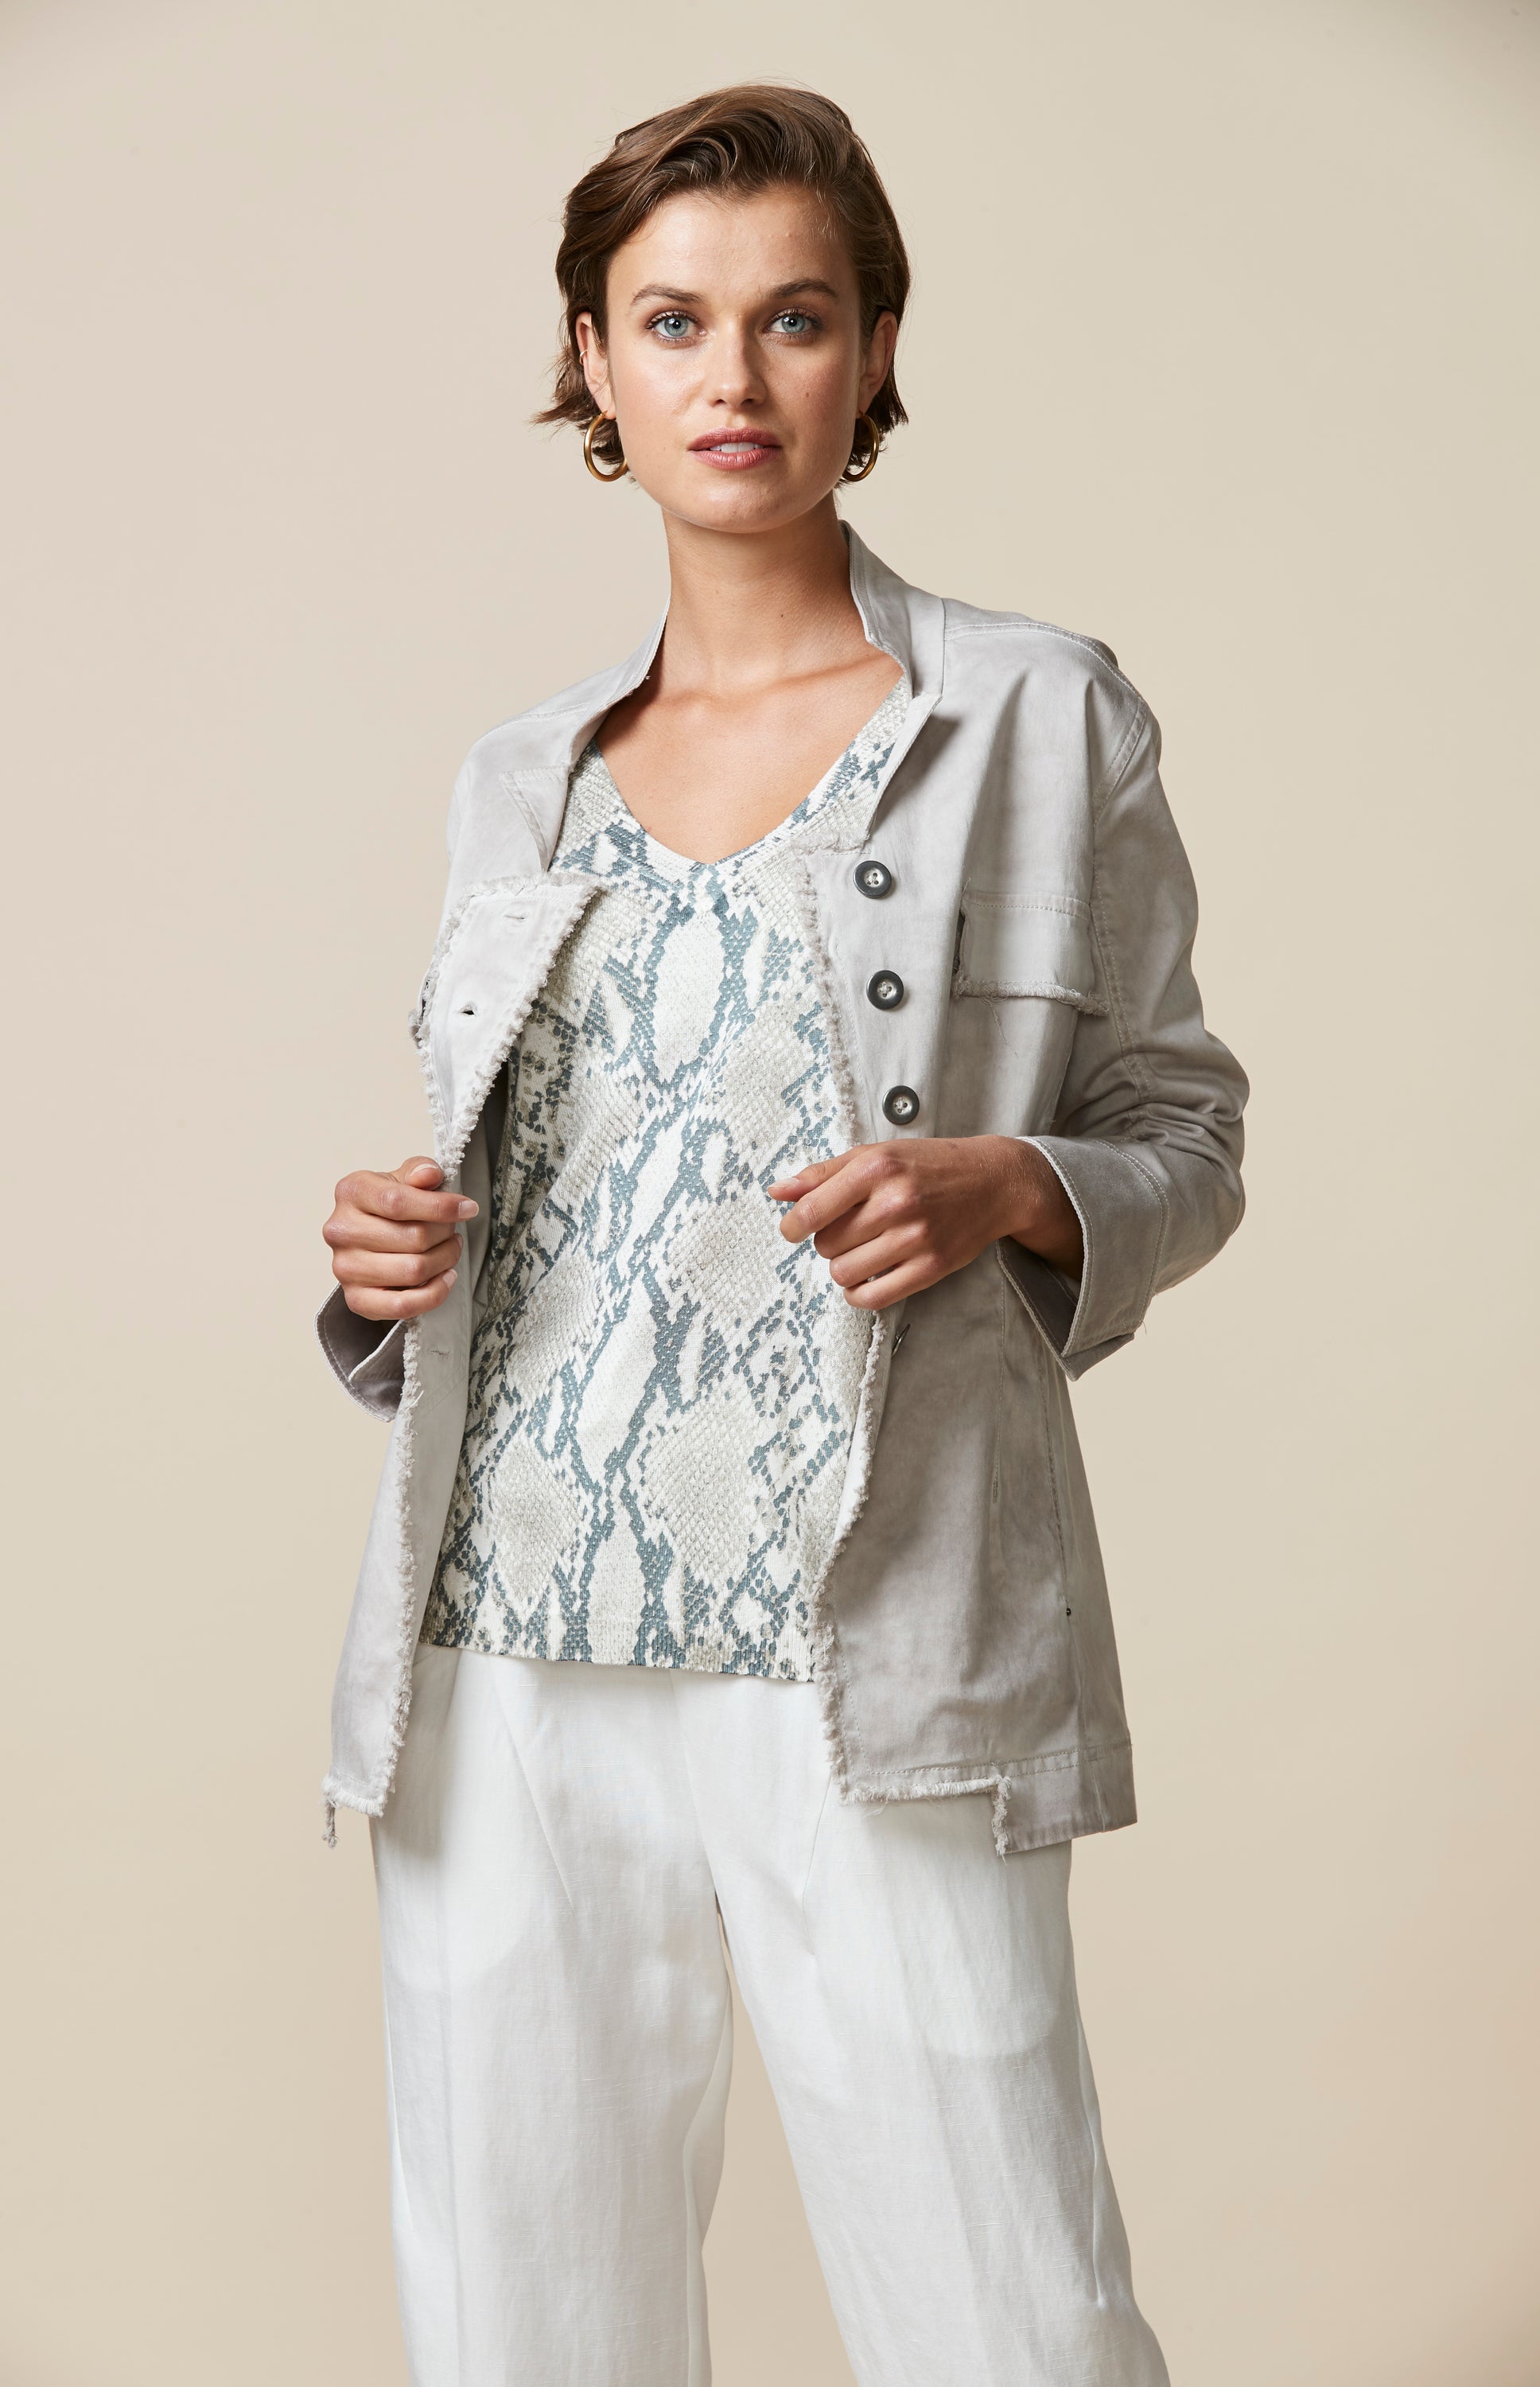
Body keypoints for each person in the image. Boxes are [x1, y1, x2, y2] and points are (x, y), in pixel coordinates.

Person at [317, 83, 1246, 2387]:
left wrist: (1015, 1186)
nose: (733, 376)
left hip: (876, 1634)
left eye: (794, 318)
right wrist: (380, 1262)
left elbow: (1185, 1130)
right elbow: (536, 1194)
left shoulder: (1033, 714)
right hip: (506, 1640)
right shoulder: (519, 774)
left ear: (875, 349)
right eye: (673, 321)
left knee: (1010, 2315)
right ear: (594, 363)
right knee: (525, 2331)